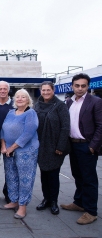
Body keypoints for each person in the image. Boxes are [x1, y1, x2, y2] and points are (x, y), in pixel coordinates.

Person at [60, 73, 102, 225]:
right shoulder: (69, 102)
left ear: (88, 86)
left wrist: (92, 147)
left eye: (83, 86)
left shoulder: (96, 102)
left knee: (89, 179)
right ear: (72, 86)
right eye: (77, 85)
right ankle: (79, 202)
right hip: (73, 145)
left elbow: (100, 126)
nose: (80, 88)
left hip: (86, 145)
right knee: (77, 175)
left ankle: (91, 211)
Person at [0, 89, 39, 219]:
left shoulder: (30, 113)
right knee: (11, 177)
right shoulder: (11, 112)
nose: (20, 99)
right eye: (18, 97)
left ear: (28, 100)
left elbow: (28, 133)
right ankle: (14, 200)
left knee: (25, 179)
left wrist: (12, 148)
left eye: (23, 97)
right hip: (8, 152)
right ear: (14, 99)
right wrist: (4, 146)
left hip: (26, 151)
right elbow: (3, 130)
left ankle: (22, 206)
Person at [33, 81, 70, 215]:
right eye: (43, 90)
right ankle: (46, 199)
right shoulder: (37, 105)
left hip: (54, 146)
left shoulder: (60, 106)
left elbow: (65, 127)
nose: (46, 92)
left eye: (48, 90)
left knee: (53, 174)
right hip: (41, 145)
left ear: (53, 90)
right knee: (44, 174)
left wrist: (60, 145)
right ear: (40, 91)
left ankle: (53, 201)